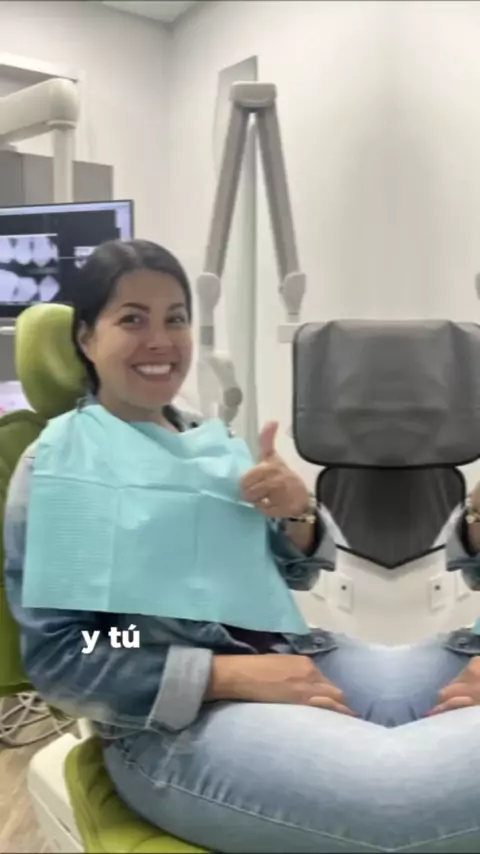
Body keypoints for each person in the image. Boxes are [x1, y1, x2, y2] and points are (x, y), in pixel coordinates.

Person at [4, 239, 480, 854]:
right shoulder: (62, 468)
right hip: (170, 723)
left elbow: (292, 574)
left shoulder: (206, 441)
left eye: (176, 318)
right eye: (133, 320)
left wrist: (297, 514)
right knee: (397, 794)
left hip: (292, 652)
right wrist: (221, 673)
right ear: (86, 338)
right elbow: (72, 651)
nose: (161, 340)